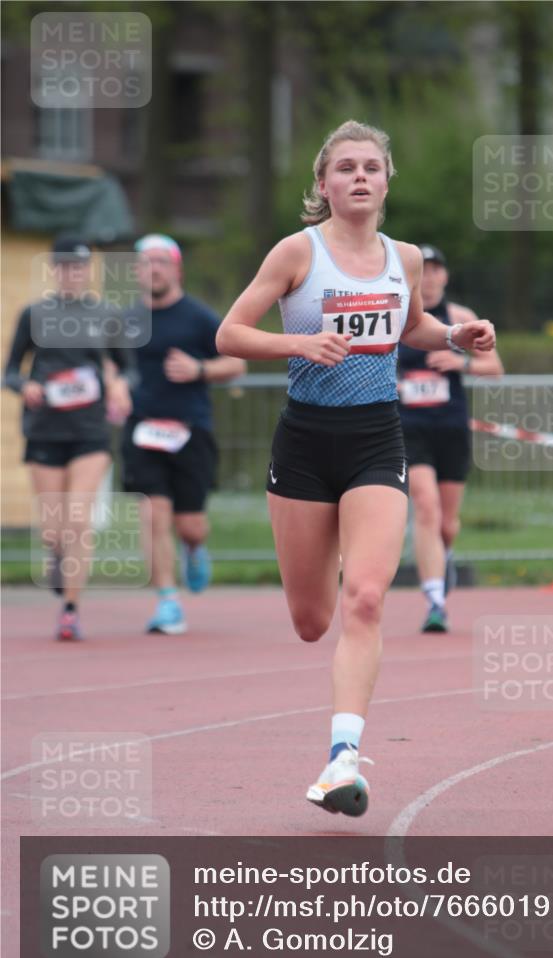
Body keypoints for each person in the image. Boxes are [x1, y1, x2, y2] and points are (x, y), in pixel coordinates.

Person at [217, 120, 497, 818]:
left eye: (371, 166)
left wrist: (455, 335)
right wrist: (300, 343)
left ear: (386, 180)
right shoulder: (297, 252)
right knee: (313, 620)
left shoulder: (404, 258)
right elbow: (229, 333)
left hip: (377, 437)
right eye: (345, 168)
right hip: (305, 444)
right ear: (323, 183)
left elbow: (412, 326)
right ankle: (333, 557)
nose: (360, 177)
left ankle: (342, 757)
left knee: (366, 599)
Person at [3, 236, 135, 640]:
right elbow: (10, 371)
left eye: (78, 267)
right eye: (64, 267)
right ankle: (55, 553)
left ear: (88, 270)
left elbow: (129, 369)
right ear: (54, 270)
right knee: (53, 529)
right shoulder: (34, 314)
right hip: (45, 429)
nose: (71, 274)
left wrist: (120, 385)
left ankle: (70, 610)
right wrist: (25, 386)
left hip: (90, 430)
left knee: (78, 519)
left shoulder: (107, 314)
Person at [121, 234, 246, 635]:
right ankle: (167, 601)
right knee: (152, 514)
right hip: (142, 430)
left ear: (177, 269)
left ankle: (193, 548)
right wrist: (113, 386)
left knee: (190, 525)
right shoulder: (125, 320)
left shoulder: (198, 317)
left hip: (190, 430)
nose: (153, 269)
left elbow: (237, 363)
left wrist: (200, 370)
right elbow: (108, 364)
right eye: (145, 263)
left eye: (161, 261)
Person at [397, 245, 504, 633]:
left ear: (445, 276)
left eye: (435, 270)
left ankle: (446, 554)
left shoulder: (460, 318)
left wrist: (461, 362)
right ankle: (435, 601)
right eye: (422, 270)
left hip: (451, 427)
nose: (428, 277)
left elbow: (494, 368)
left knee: (446, 523)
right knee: (424, 507)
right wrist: (395, 383)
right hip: (409, 427)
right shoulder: (399, 316)